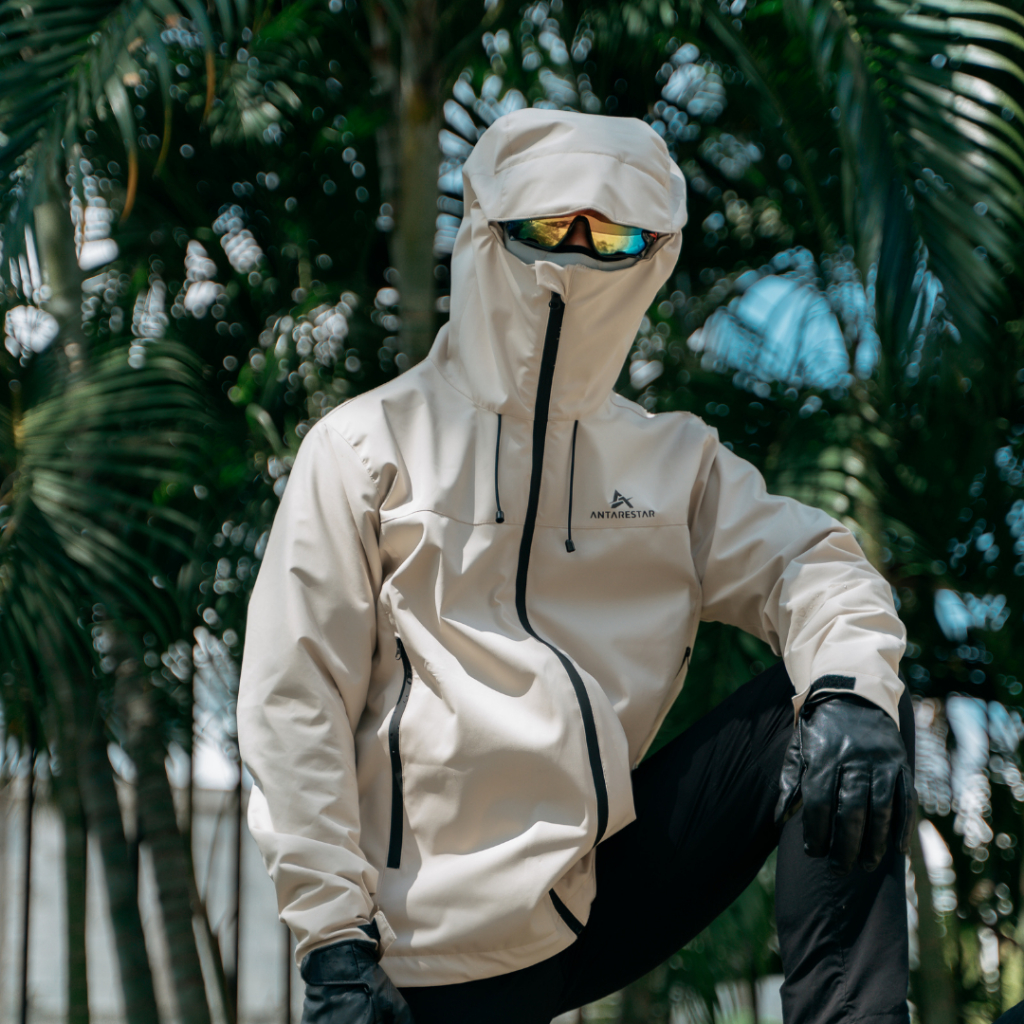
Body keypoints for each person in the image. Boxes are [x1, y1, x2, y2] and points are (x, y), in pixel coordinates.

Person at [237, 108, 915, 1024]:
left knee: (850, 702)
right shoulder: (367, 446)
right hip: (423, 950)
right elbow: (295, 698)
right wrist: (333, 947)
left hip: (597, 887)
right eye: (554, 227)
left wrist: (851, 693)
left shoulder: (673, 463)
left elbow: (814, 563)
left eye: (614, 237)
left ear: (656, 254)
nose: (580, 255)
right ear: (489, 229)